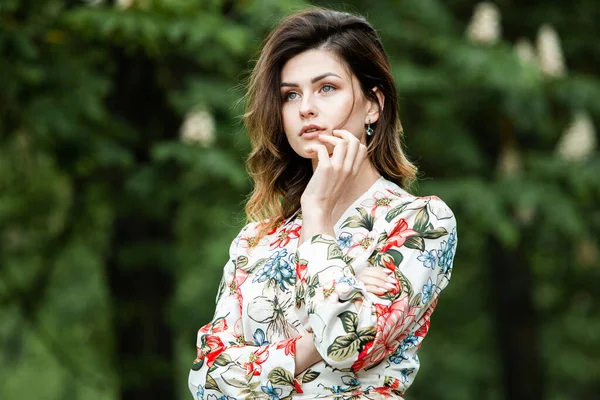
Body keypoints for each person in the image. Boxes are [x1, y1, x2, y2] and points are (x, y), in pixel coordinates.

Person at [188, 8, 457, 400]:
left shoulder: (418, 222)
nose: (305, 108)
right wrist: (315, 339)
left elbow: (349, 343)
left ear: (373, 104)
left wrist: (317, 213)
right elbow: (207, 381)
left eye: (326, 88)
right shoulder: (256, 241)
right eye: (290, 94)